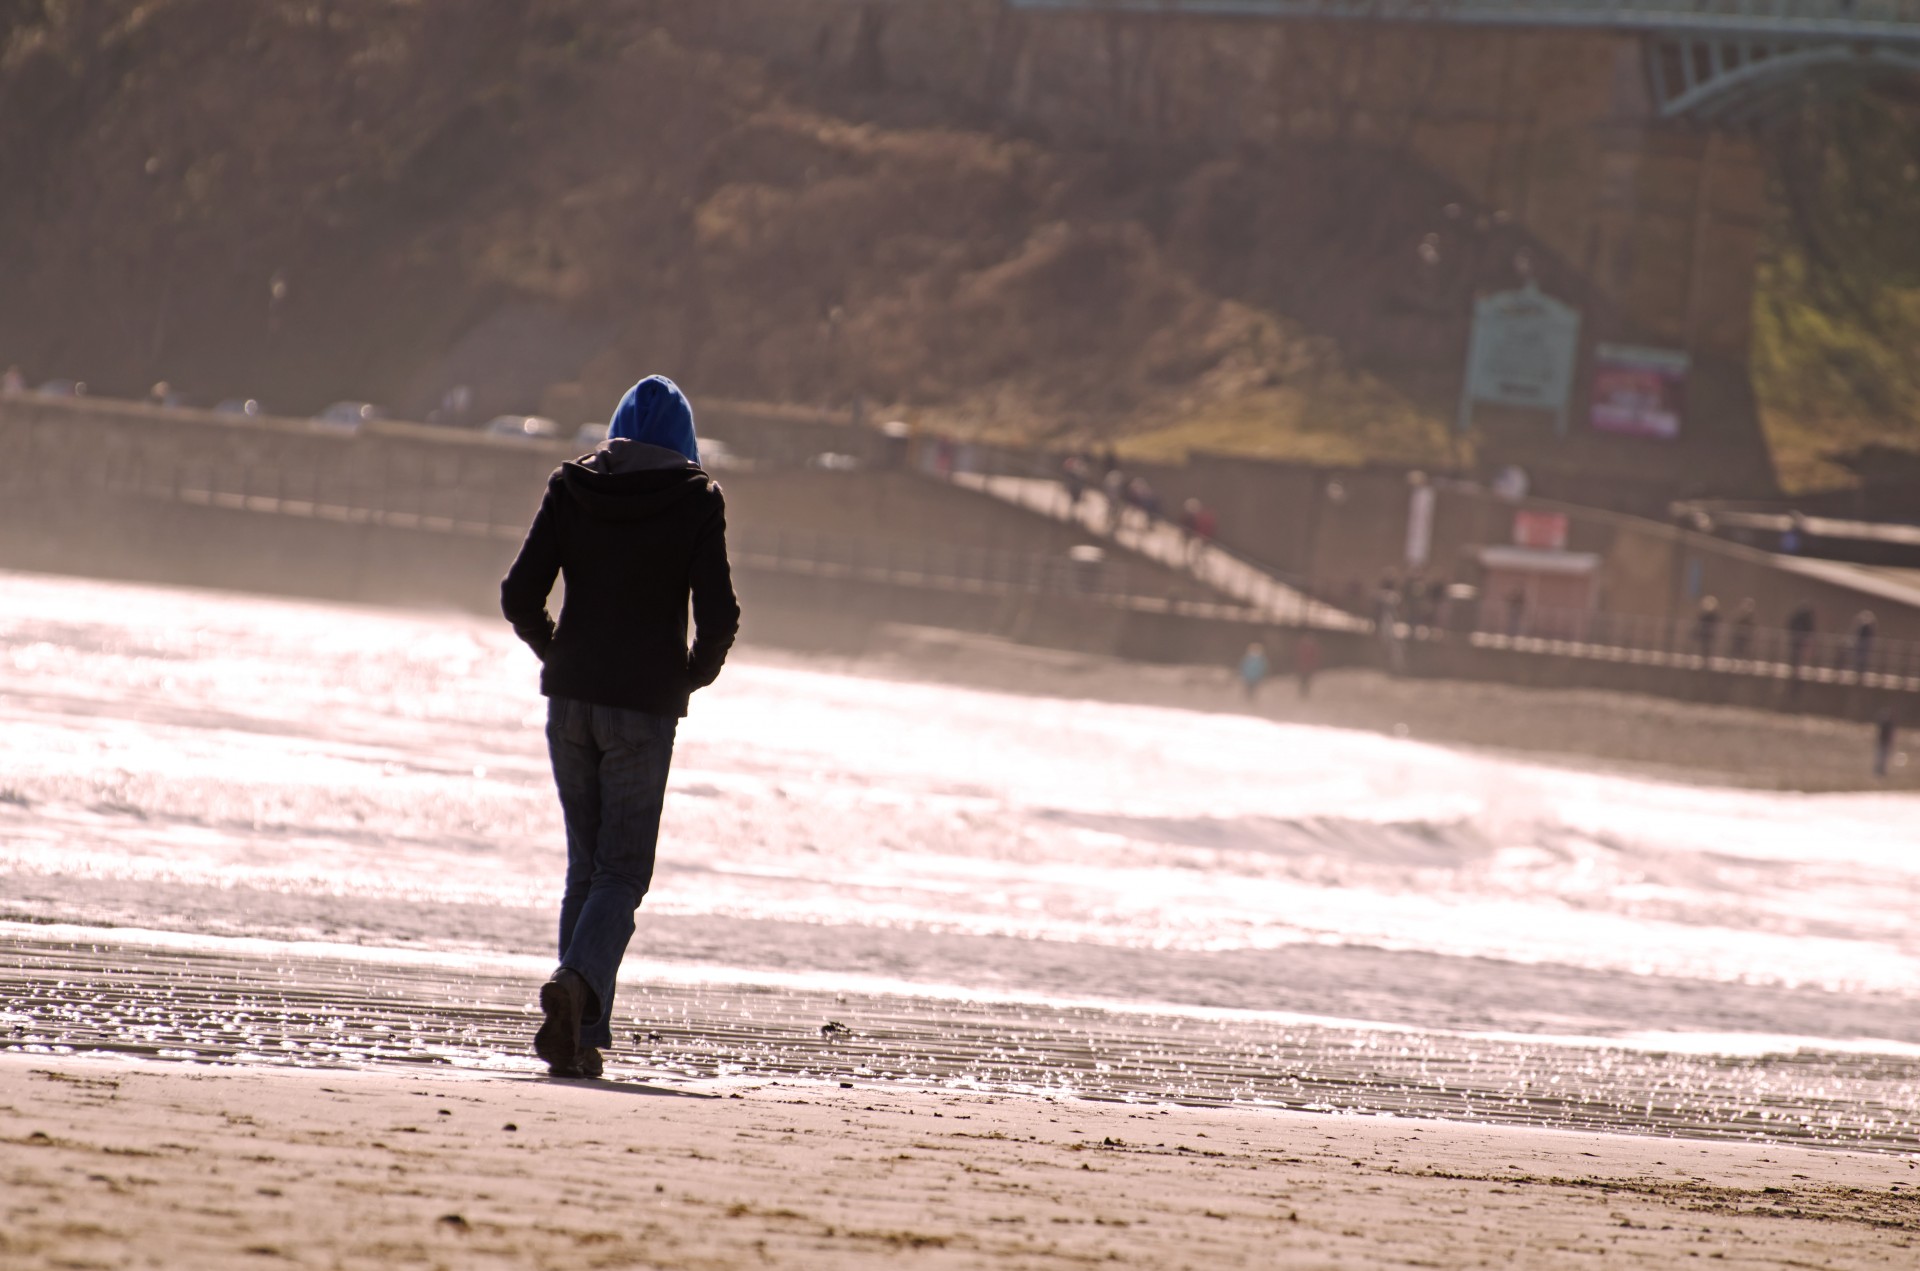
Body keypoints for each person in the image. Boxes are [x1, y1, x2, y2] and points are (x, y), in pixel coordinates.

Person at [501, 375, 741, 1078]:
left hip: (570, 701)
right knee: (622, 871)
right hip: (642, 709)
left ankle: (578, 1037)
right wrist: (688, 674)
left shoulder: (570, 486)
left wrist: (558, 652)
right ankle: (574, 989)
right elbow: (721, 616)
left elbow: (519, 594)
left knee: (588, 865)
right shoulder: (697, 499)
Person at [1787, 603, 1816, 675]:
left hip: (1796, 637)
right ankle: (1796, 667)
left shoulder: (1797, 616)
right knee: (1799, 654)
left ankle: (1794, 667)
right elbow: (1810, 628)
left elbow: (1790, 624)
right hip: (1801, 638)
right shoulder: (1807, 618)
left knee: (1795, 653)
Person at [1692, 596, 1720, 660]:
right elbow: (1699, 622)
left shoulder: (1713, 615)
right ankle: (1704, 658)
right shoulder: (1704, 614)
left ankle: (1706, 658)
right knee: (1704, 646)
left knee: (1707, 646)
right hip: (1704, 633)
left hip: (1709, 633)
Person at [1294, 632, 1321, 698]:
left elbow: (1314, 656)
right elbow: (1298, 656)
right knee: (1304, 680)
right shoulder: (1306, 646)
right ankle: (1304, 692)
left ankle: (1304, 692)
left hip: (1305, 666)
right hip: (1304, 666)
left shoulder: (1308, 647)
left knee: (1305, 680)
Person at [1853, 610, 1877, 675]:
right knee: (1862, 659)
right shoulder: (1867, 627)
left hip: (1863, 645)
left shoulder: (1865, 627)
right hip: (1863, 645)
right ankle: (1860, 671)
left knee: (1861, 659)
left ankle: (1860, 671)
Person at [1875, 709, 1897, 778]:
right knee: (1881, 757)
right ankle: (1879, 770)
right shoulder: (1886, 724)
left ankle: (1881, 770)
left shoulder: (1887, 724)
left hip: (1884, 742)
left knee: (1883, 757)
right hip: (1883, 742)